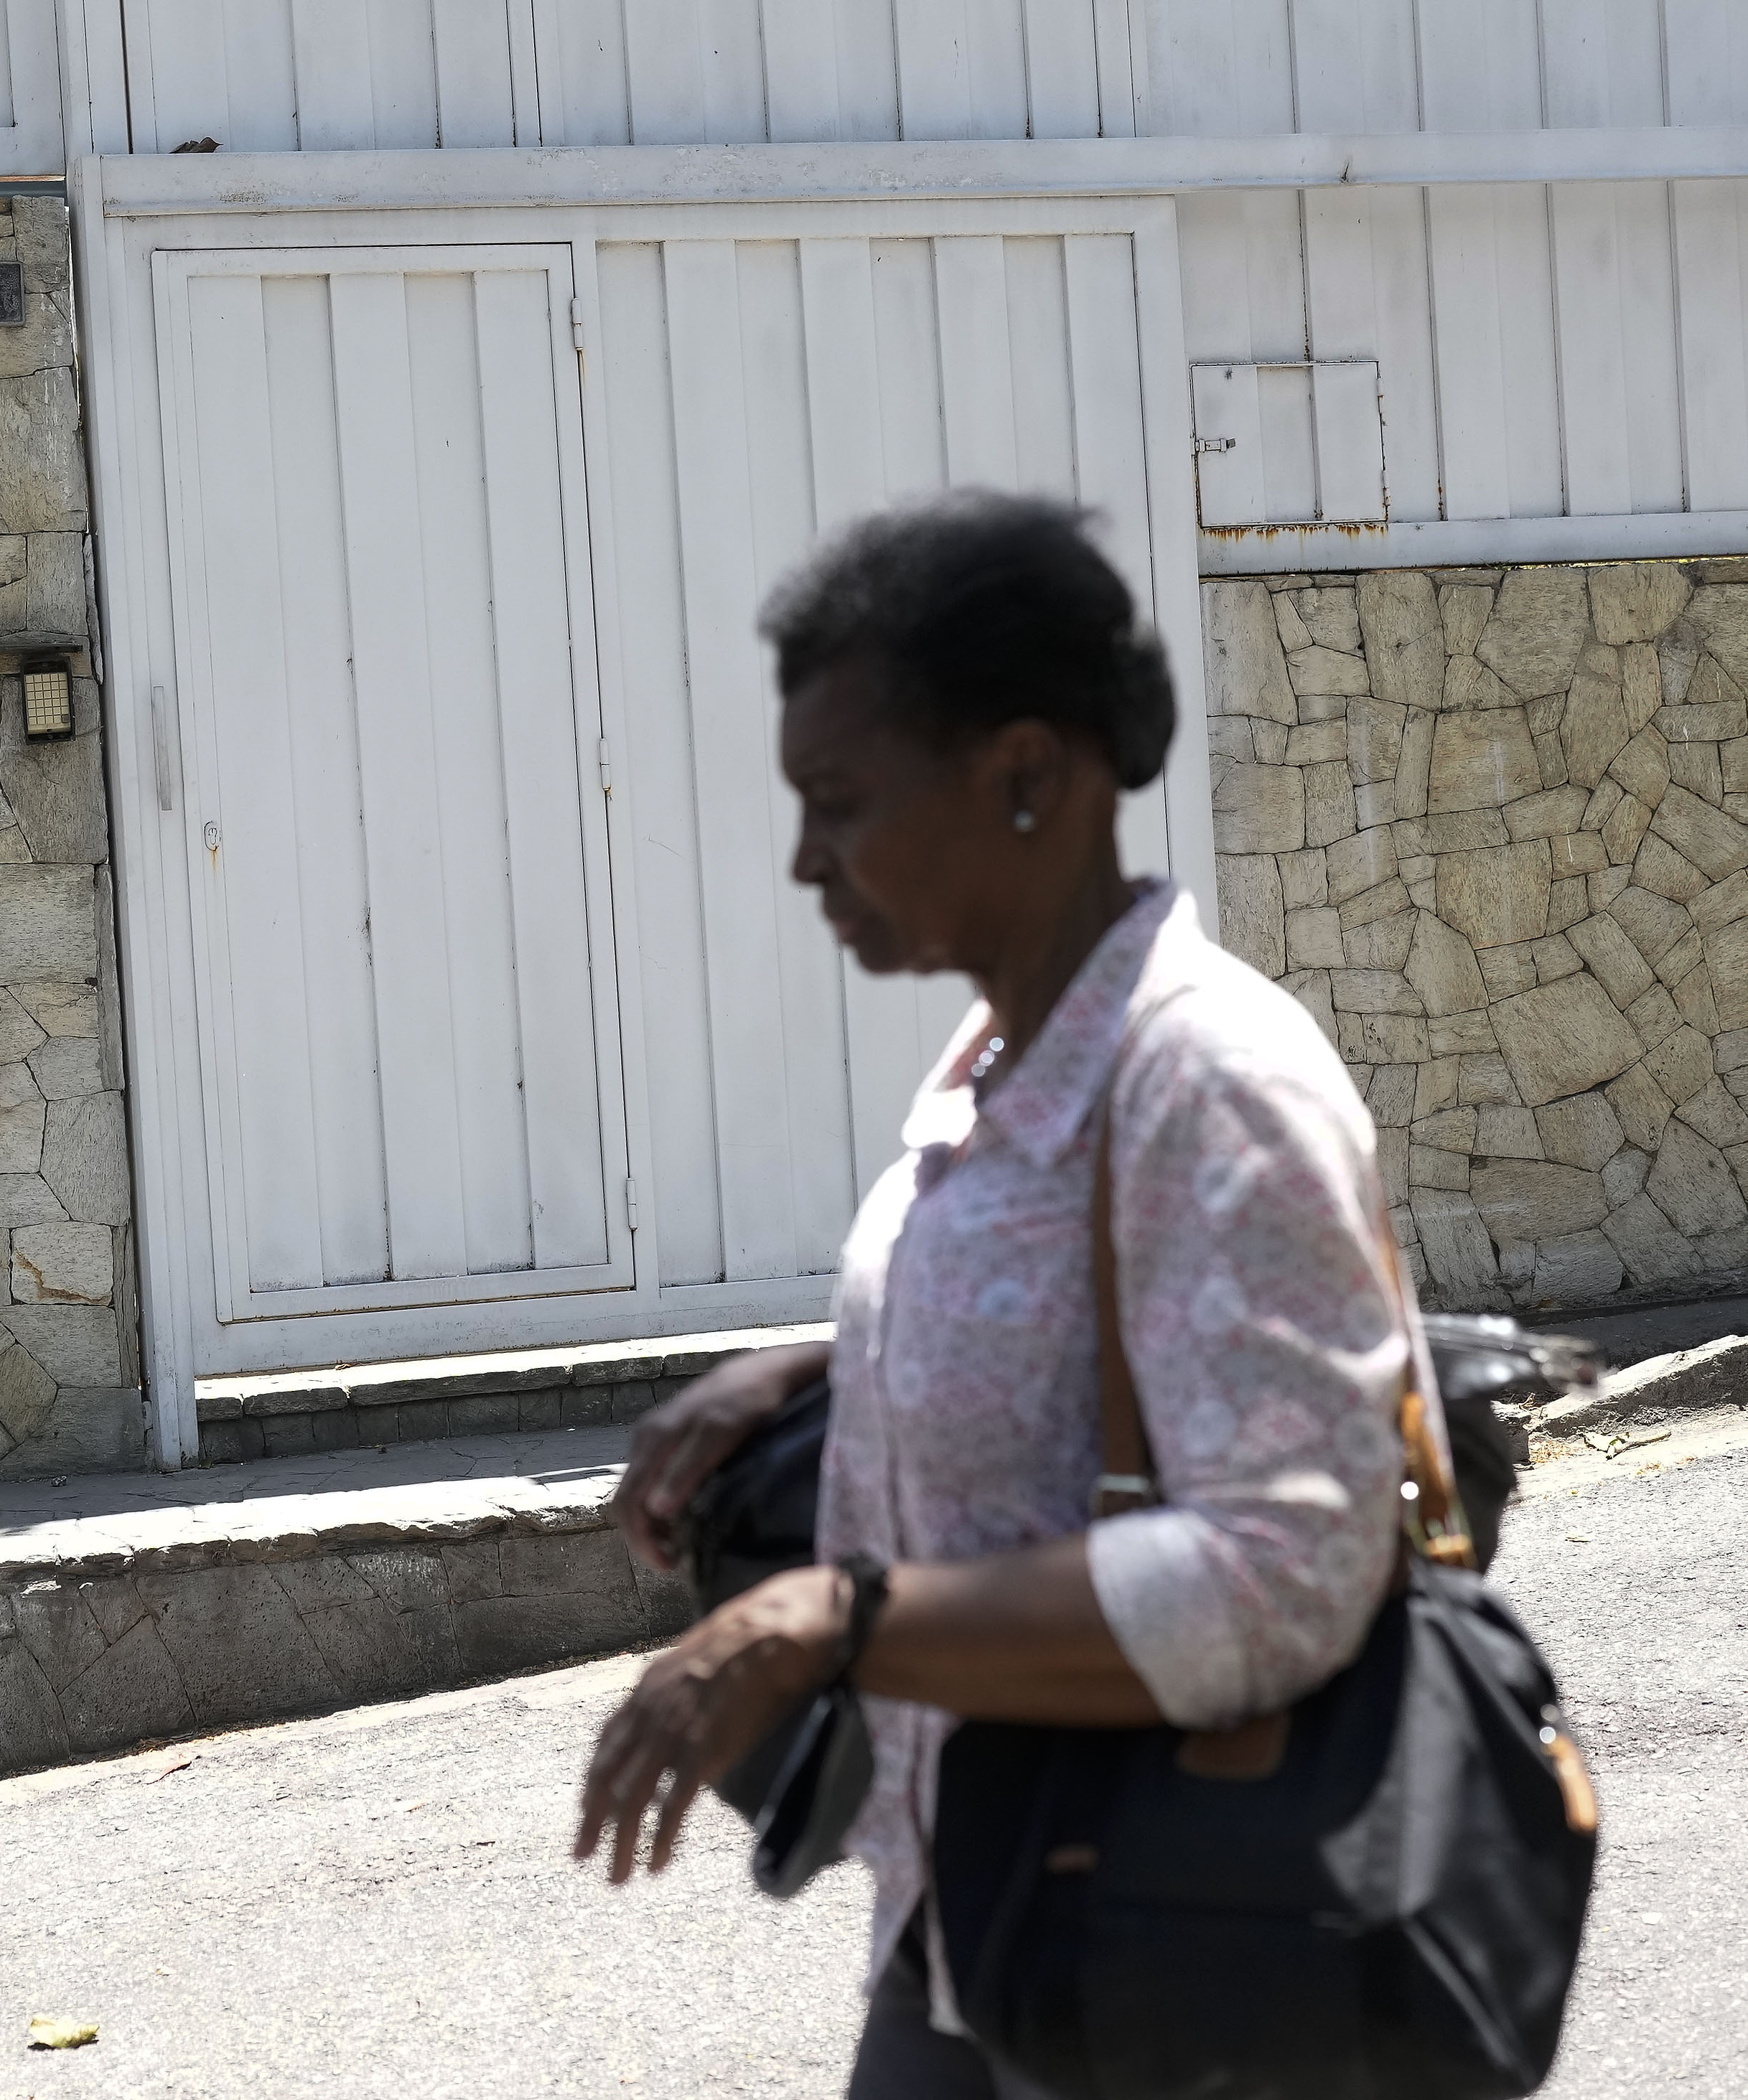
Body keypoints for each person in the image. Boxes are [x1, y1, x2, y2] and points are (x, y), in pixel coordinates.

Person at [570, 494, 1421, 2098]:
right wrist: (825, 1368)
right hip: (981, 1907)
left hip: (1181, 1949)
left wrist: (827, 1617)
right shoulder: (999, 1057)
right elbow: (1092, 1323)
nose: (803, 858)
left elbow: (1288, 1563)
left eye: (837, 802)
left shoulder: (1206, 1077)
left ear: (1026, 774)